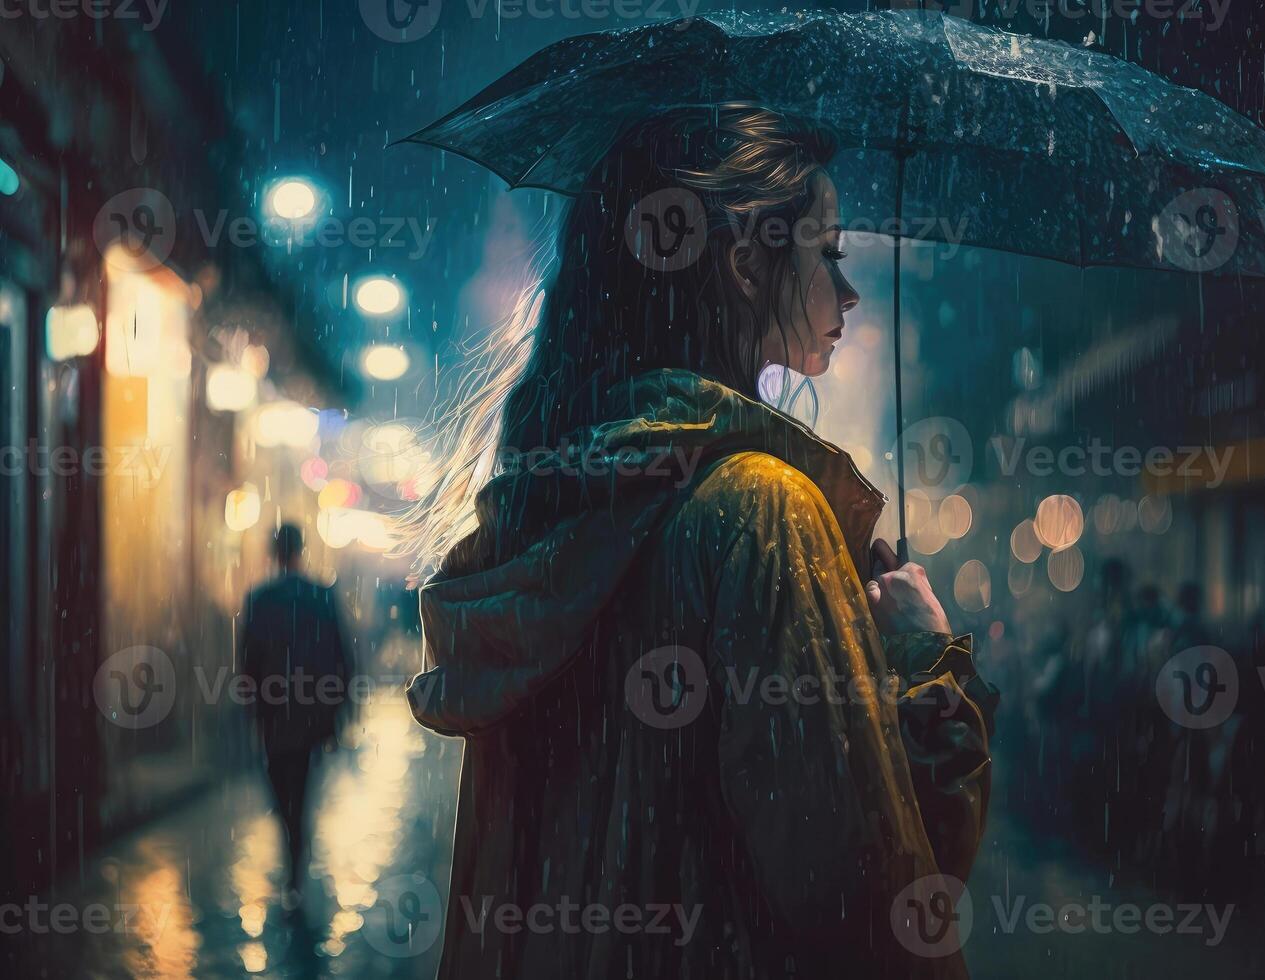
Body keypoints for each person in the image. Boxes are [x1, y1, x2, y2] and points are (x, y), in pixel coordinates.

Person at [400, 104, 998, 979]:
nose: (851, 290)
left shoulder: (558, 509)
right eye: (827, 252)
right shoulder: (763, 515)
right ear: (746, 264)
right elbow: (876, 914)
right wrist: (921, 659)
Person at [239, 523, 354, 900]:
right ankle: (296, 847)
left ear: (274, 552)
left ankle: (293, 843)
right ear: (300, 550)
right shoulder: (320, 596)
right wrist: (340, 713)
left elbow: (248, 664)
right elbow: (341, 659)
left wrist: (251, 709)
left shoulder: (260, 598)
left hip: (274, 715)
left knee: (281, 784)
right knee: (301, 785)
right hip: (310, 715)